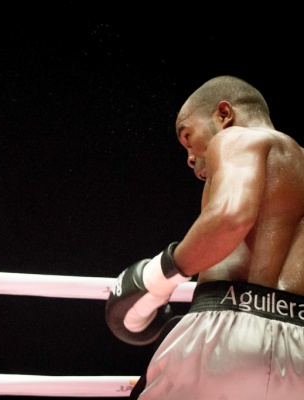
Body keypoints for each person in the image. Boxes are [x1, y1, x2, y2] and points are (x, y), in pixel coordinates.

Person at [105, 75, 304, 399]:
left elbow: (231, 216)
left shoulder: (238, 138)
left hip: (226, 332)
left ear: (224, 114)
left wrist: (158, 276)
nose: (190, 157)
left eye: (188, 136)